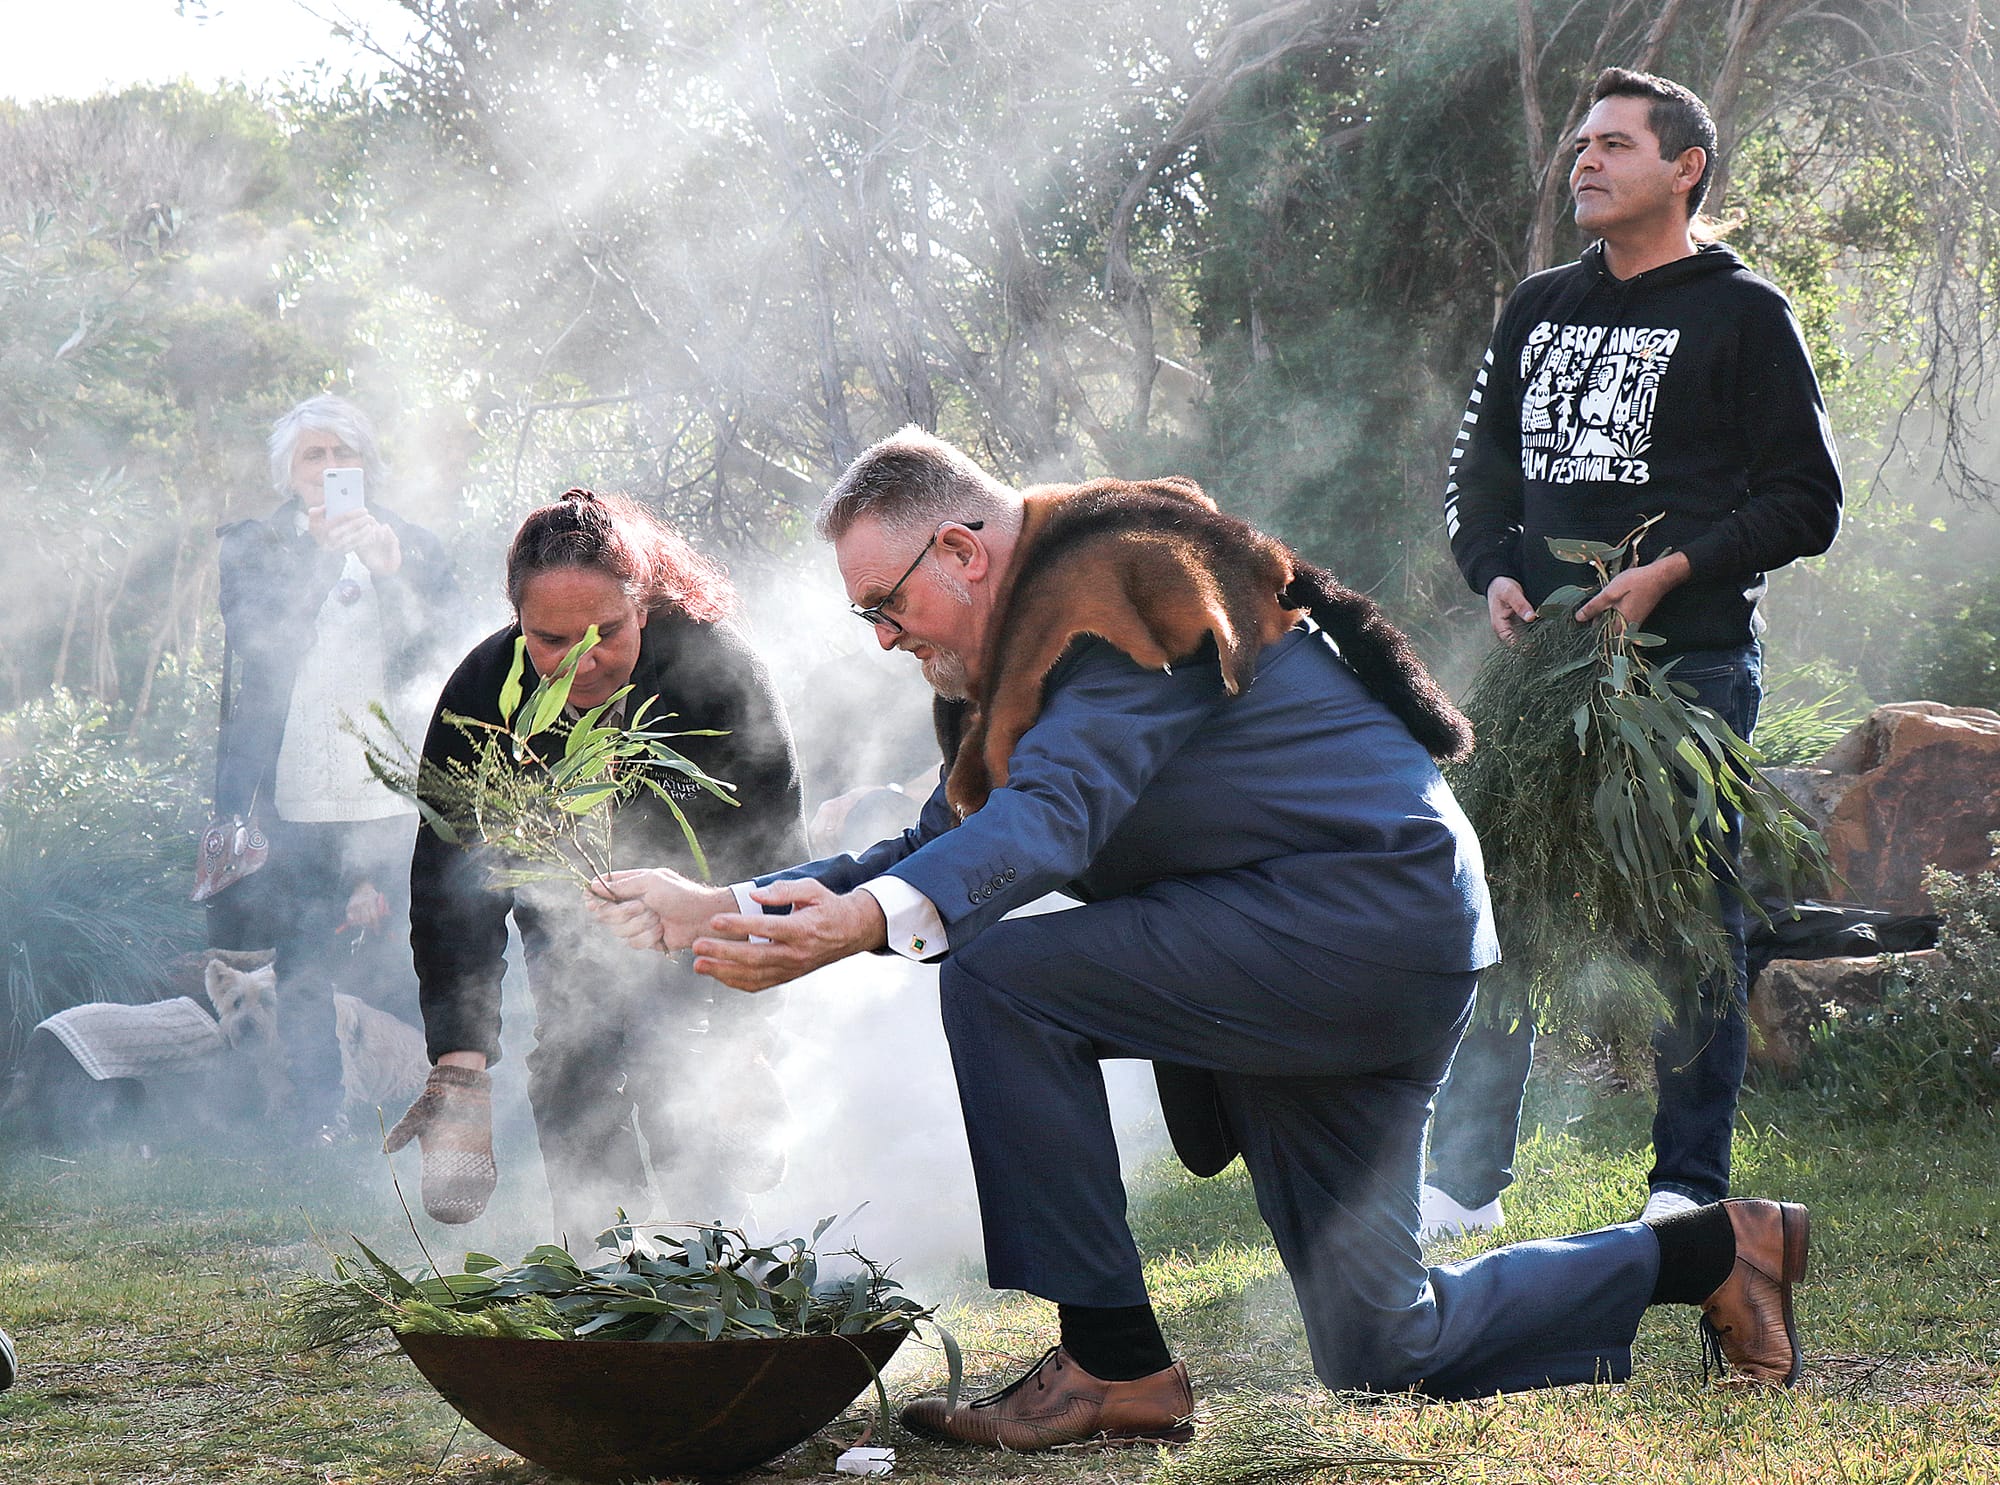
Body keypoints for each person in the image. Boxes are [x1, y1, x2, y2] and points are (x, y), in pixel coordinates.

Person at [588, 427, 1812, 1447]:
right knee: (1386, 1344)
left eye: (885, 604)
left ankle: (1115, 1366)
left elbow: (1049, 821)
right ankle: (1713, 1250)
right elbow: (938, 838)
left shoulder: (1115, 598)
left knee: (1004, 980)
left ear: (960, 550)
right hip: (1344, 942)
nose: (883, 639)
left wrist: (863, 926)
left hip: (1348, 928)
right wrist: (732, 908)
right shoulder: (1033, 646)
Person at [1428, 67, 1843, 1239]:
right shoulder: (1537, 307)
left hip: (1686, 674)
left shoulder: (1740, 313)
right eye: (1579, 147)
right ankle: (1460, 1184)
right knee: (1496, 907)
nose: (1585, 162)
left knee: (1686, 920)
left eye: (1613, 144)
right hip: (1539, 674)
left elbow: (1805, 501)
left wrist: (1670, 571)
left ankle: (1684, 1187)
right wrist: (1491, 568)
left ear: (1683, 167)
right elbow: (1480, 472)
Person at [386, 489, 809, 1242]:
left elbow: (775, 857)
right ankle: (600, 1271)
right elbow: (452, 889)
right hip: (568, 928)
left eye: (605, 632)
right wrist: (461, 1066)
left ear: (643, 604)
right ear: (518, 621)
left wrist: (747, 1034)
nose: (581, 659)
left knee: (692, 1095)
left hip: (707, 941)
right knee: (574, 1072)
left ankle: (714, 1268)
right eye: (550, 639)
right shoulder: (483, 696)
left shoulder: (717, 676)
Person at [211, 394, 457, 1143]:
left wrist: (389, 570)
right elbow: (255, 641)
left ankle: (453, 1097)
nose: (327, 468)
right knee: (305, 957)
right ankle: (321, 1116)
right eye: (312, 455)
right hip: (296, 790)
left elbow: (446, 647)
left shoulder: (411, 544)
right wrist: (319, 557)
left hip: (395, 784)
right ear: (287, 470)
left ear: (365, 466)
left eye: (340, 453)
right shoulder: (253, 545)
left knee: (434, 940)